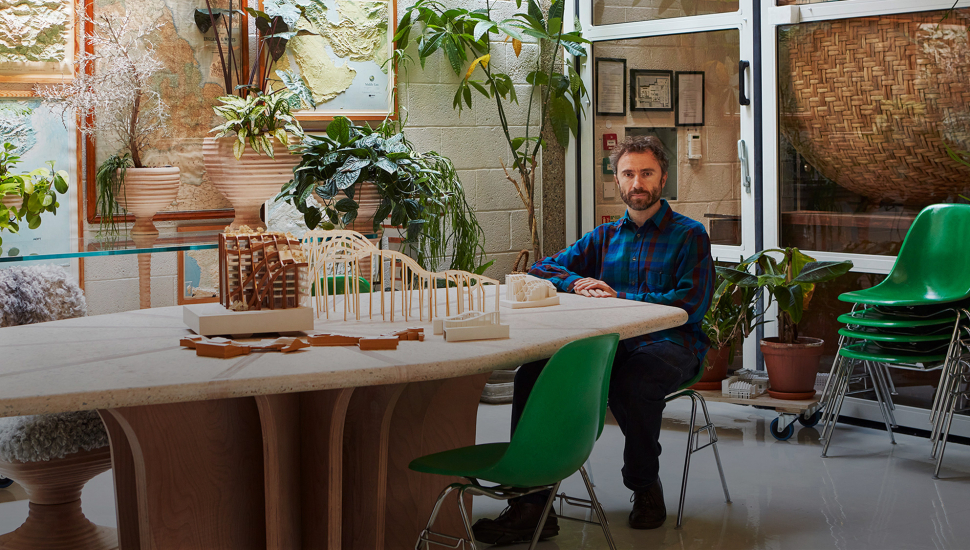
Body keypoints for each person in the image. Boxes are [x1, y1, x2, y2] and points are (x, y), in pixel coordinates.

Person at [471, 135, 714, 545]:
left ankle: (644, 487)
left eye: (646, 173)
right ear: (617, 182)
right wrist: (576, 280)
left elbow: (690, 302)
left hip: (673, 345)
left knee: (634, 381)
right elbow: (545, 269)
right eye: (628, 174)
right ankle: (533, 502)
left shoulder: (689, 235)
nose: (637, 182)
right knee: (535, 371)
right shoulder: (603, 237)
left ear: (664, 178)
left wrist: (622, 298)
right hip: (609, 346)